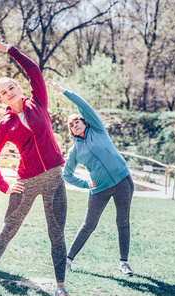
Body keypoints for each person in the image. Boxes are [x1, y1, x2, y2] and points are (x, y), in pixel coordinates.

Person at [0, 39, 71, 296]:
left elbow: (34, 69)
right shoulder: (5, 123)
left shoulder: (39, 102)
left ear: (19, 88)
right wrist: (4, 186)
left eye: (11, 87)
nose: (9, 92)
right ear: (1, 99)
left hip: (54, 179)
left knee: (56, 234)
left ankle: (61, 288)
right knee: (8, 230)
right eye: (4, 92)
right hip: (25, 182)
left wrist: (10, 50)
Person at [48, 78, 135, 276]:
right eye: (71, 125)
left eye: (77, 120)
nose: (74, 124)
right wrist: (86, 183)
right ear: (71, 131)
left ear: (85, 122)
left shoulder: (98, 129)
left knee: (123, 221)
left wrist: (63, 91)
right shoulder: (75, 150)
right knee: (88, 224)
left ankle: (124, 263)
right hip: (99, 189)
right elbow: (67, 175)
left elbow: (83, 105)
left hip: (123, 181)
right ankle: (68, 259)